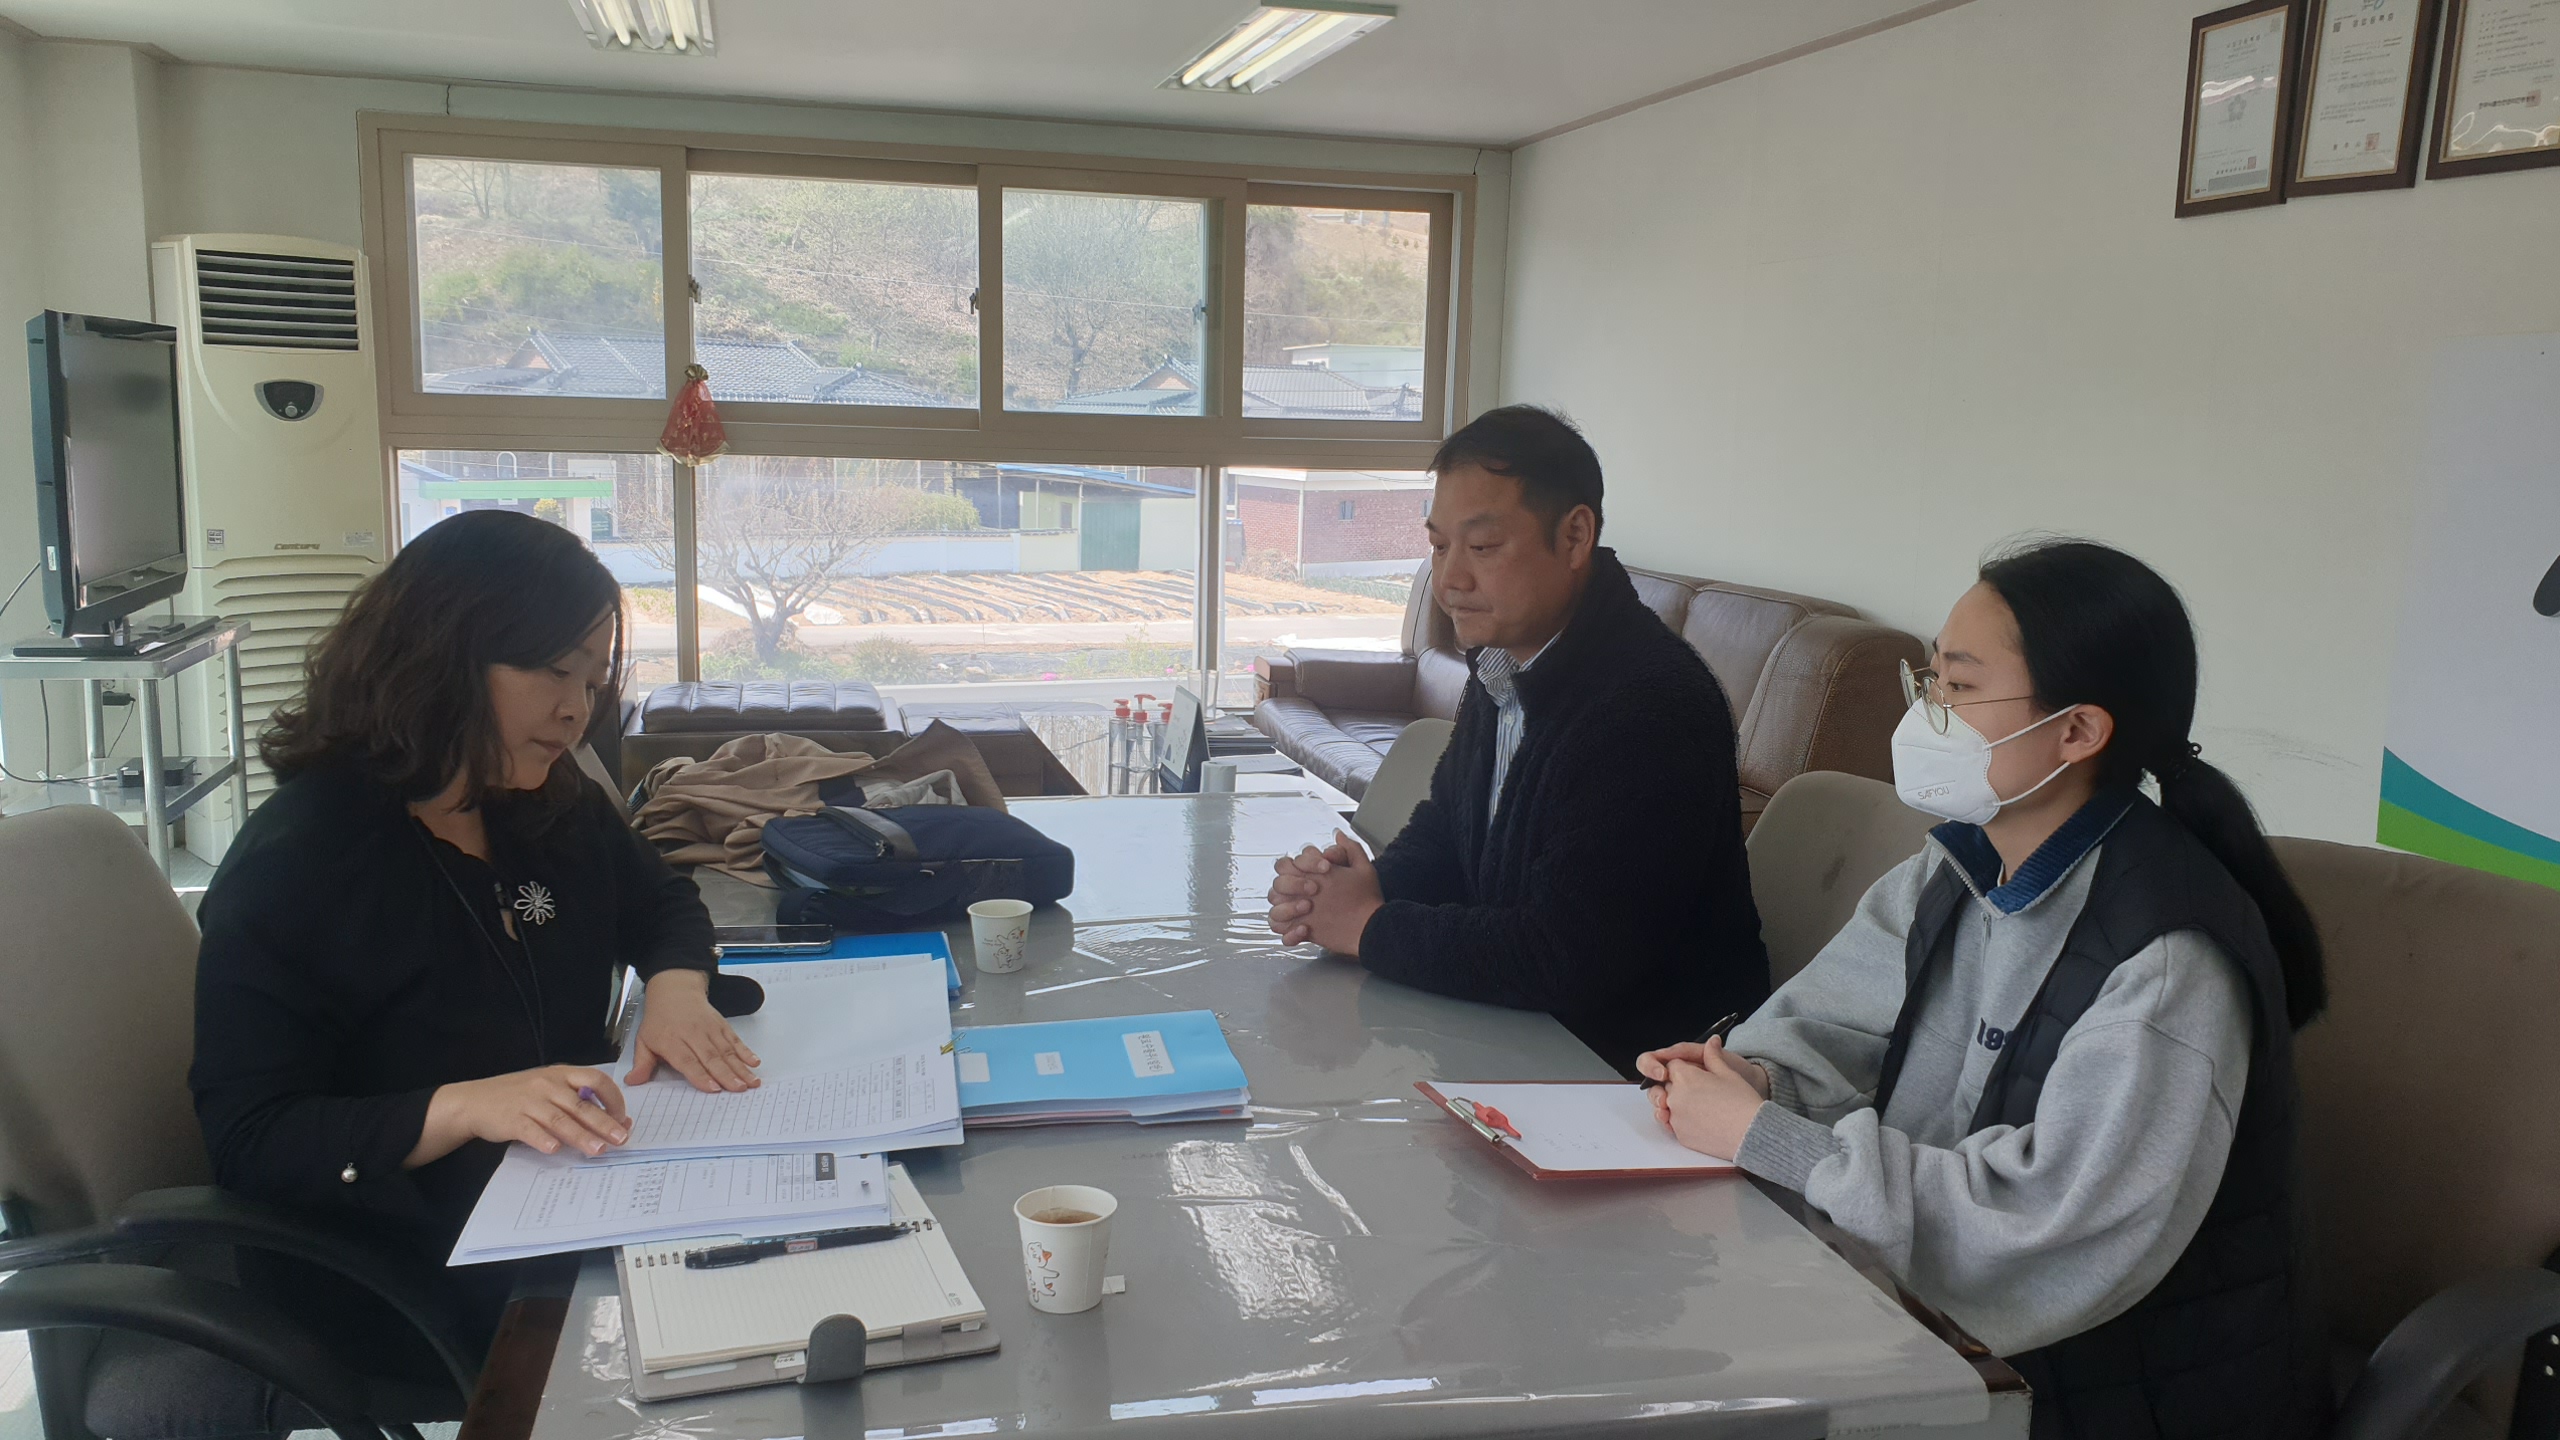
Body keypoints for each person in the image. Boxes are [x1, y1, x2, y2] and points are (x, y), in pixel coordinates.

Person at [1642, 539, 2329, 1438]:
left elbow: (2047, 1232)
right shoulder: (1957, 866)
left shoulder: (2167, 960)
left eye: (1959, 686)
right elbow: (1826, 1025)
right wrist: (1754, 1082)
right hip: (1924, 1325)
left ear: (2078, 732)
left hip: (2102, 1390)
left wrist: (1770, 1140)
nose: (1927, 711)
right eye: (1928, 677)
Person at [190, 509, 761, 1377]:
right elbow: (251, 1138)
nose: (576, 710)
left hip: (568, 1199)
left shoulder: (537, 794)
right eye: (552, 670)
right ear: (442, 653)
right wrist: (463, 1107)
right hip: (400, 1266)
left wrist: (677, 988)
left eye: (593, 679)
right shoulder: (301, 863)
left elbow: (658, 898)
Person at [1264, 405, 1769, 1072]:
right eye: (1439, 546)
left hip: (1632, 1075)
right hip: (1516, 1033)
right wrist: (1358, 889)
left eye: (1482, 547)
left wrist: (1369, 926)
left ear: (1575, 536)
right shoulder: (1507, 663)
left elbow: (1568, 955)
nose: (1450, 580)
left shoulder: (1651, 707)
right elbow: (1449, 834)